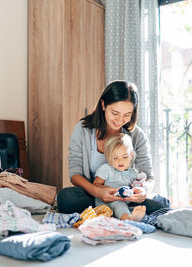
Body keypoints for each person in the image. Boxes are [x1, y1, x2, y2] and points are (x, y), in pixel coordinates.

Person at [57, 80, 170, 214]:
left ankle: (115, 211)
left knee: (162, 203)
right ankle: (116, 211)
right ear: (103, 105)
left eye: (127, 115)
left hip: (126, 196)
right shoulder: (83, 130)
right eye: (115, 113)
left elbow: (149, 176)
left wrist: (144, 190)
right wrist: (98, 191)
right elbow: (75, 174)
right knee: (66, 198)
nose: (120, 120)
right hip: (93, 194)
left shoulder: (137, 135)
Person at [94, 133, 146, 221]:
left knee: (136, 205)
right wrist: (115, 190)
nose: (120, 161)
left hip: (125, 201)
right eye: (115, 158)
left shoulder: (132, 172)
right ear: (108, 157)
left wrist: (137, 188)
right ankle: (129, 220)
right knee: (119, 204)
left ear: (131, 155)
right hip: (108, 201)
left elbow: (135, 186)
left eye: (125, 157)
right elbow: (96, 185)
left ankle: (133, 216)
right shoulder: (107, 169)